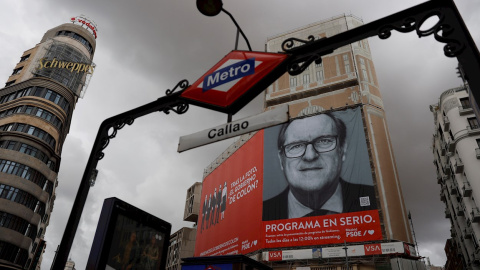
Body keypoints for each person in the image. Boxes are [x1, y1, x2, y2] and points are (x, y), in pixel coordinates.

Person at [262, 113, 377, 221]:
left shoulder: (377, 200)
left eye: (324, 141)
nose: (310, 156)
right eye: (296, 146)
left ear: (343, 150)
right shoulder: (261, 215)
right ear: (281, 160)